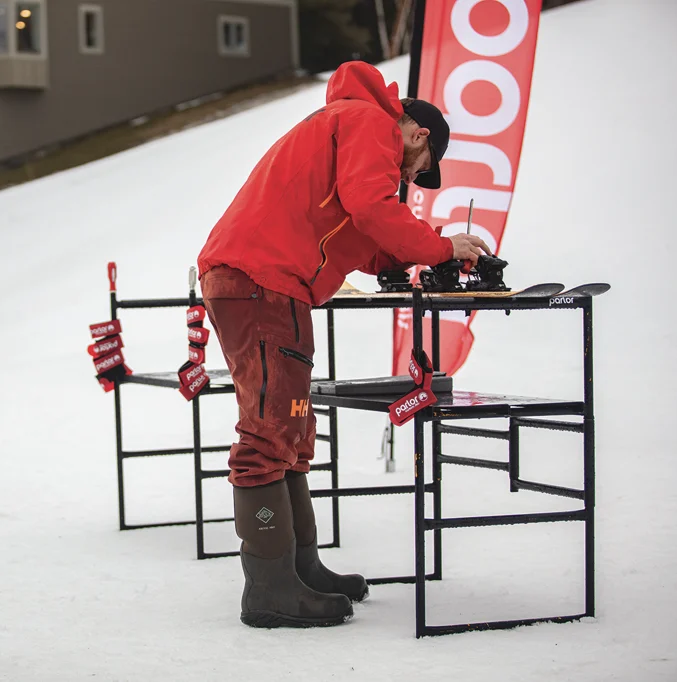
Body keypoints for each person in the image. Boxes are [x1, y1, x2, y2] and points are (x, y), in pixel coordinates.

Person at [196, 61, 489, 628]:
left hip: (269, 282)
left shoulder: (349, 125)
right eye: (422, 168)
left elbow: (363, 234)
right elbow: (371, 207)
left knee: (292, 426)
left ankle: (299, 568)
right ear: (418, 136)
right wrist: (441, 247)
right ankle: (269, 588)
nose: (413, 178)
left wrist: (419, 252)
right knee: (268, 432)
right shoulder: (371, 123)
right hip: (261, 280)